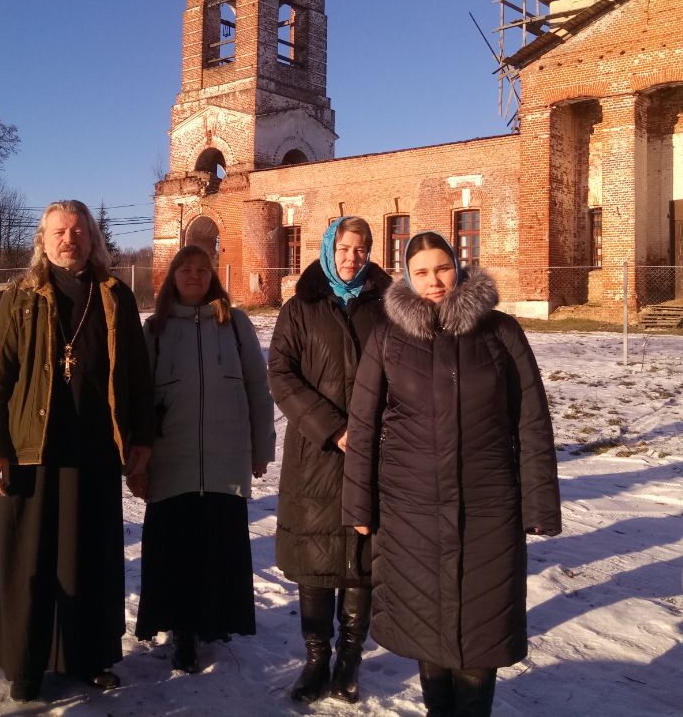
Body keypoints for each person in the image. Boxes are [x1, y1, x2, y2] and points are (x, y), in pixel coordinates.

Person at [341, 231, 561, 717]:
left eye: (442, 268)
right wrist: (358, 504)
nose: (434, 281)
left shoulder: (499, 332)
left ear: (458, 267)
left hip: (488, 508)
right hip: (410, 511)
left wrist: (540, 504)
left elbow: (530, 419)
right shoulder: (388, 336)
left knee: (483, 634)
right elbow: (364, 422)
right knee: (427, 629)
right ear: (407, 277)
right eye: (421, 272)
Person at [0, 200, 156, 703]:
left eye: (78, 231)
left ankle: (90, 656)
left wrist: (142, 438)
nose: (69, 239)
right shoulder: (22, 295)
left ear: (92, 239)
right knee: (31, 561)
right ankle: (25, 664)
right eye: (59, 232)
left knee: (89, 559)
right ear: (43, 240)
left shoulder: (115, 295)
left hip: (96, 451)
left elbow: (138, 375)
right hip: (34, 450)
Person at [134, 245, 276, 672]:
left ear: (213, 276)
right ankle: (181, 630)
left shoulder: (235, 324)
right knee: (175, 549)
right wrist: (136, 461)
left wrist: (261, 449)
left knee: (218, 546)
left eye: (202, 269)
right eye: (186, 269)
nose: (194, 275)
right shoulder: (155, 329)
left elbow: (257, 387)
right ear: (172, 276)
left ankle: (215, 621)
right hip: (172, 458)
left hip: (224, 457)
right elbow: (138, 397)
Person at [268, 215, 392, 704]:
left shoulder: (386, 305)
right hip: (315, 452)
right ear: (327, 249)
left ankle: (350, 659)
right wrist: (332, 428)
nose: (351, 258)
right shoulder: (301, 308)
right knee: (316, 560)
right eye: (343, 248)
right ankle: (317, 658)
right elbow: (281, 374)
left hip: (374, 452)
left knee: (361, 559)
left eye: (360, 249)